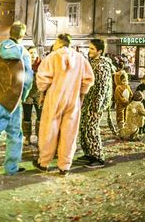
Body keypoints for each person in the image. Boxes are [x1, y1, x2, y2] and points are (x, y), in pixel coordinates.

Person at [32, 33, 94, 175]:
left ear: (59, 43)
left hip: (54, 98)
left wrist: (42, 93)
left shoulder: (52, 57)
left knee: (49, 131)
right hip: (73, 99)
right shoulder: (80, 59)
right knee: (69, 132)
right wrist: (81, 96)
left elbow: (42, 80)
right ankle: (64, 166)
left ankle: (44, 162)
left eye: (55, 42)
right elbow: (88, 80)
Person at [0, 21, 33, 175]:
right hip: (13, 100)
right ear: (22, 35)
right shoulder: (23, 52)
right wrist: (22, 96)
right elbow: (27, 79)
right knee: (15, 134)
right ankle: (11, 167)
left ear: (10, 32)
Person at [78, 39, 114, 169]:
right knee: (84, 127)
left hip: (95, 104)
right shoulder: (92, 63)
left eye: (92, 49)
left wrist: (97, 105)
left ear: (99, 51)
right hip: (88, 102)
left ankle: (98, 157)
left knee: (91, 128)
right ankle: (89, 153)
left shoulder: (101, 65)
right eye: (89, 48)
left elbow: (102, 87)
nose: (89, 51)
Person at [22, 46, 41, 145]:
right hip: (27, 94)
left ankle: (39, 136)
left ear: (37, 54)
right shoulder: (24, 65)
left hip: (39, 94)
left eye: (34, 53)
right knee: (27, 116)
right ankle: (27, 137)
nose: (32, 55)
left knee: (40, 117)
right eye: (30, 53)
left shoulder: (42, 65)